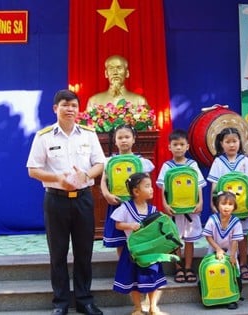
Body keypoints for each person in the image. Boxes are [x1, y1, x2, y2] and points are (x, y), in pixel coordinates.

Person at [26, 89, 105, 315]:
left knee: (84, 252)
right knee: (58, 253)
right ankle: (60, 303)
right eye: (65, 105)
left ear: (78, 109)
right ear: (55, 109)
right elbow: (33, 170)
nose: (70, 109)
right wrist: (58, 178)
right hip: (56, 200)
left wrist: (86, 176)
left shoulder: (88, 135)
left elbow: (100, 163)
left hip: (83, 199)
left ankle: (84, 300)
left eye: (73, 105)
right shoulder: (44, 136)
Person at [207, 127, 248, 281]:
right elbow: (215, 186)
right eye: (228, 142)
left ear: (240, 142)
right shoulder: (218, 162)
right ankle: (224, 262)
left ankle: (243, 264)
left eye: (234, 141)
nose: (232, 145)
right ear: (221, 143)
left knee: (242, 236)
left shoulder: (245, 161)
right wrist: (213, 203)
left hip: (243, 207)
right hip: (225, 207)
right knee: (226, 235)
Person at [111, 173, 166, 315]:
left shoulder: (153, 210)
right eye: (147, 186)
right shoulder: (126, 208)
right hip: (132, 252)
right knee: (134, 281)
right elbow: (117, 224)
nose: (152, 189)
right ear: (136, 191)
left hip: (150, 252)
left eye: (151, 185)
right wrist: (130, 225)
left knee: (153, 278)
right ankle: (137, 307)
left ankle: (153, 306)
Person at [156, 129, 206, 284]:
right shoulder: (167, 166)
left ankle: (189, 267)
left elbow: (198, 185)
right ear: (169, 147)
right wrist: (164, 204)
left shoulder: (192, 164)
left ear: (187, 146)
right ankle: (178, 267)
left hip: (191, 209)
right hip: (174, 209)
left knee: (190, 240)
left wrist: (200, 202)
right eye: (175, 144)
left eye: (181, 144)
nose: (178, 147)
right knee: (176, 239)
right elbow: (163, 187)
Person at [101, 124, 155, 258]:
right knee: (120, 240)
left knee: (138, 237)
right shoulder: (110, 161)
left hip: (137, 205)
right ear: (115, 140)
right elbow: (104, 181)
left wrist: (144, 196)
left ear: (134, 139)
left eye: (127, 137)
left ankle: (139, 267)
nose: (123, 140)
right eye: (120, 137)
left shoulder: (141, 162)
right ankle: (123, 268)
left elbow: (147, 182)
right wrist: (107, 194)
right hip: (117, 204)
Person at [202, 191, 244, 310]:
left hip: (230, 252)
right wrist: (218, 249)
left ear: (234, 207)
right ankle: (212, 297)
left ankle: (232, 298)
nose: (226, 207)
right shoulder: (212, 219)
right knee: (214, 273)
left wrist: (232, 256)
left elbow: (235, 241)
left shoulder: (236, 222)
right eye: (223, 203)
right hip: (214, 251)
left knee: (233, 274)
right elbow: (208, 236)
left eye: (230, 204)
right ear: (217, 205)